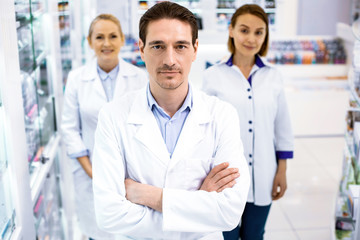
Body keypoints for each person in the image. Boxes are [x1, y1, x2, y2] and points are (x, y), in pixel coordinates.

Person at [91, 2, 250, 240]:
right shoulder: (113, 116)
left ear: (195, 49)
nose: (170, 59)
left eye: (181, 46)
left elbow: (229, 212)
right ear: (142, 49)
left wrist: (151, 197)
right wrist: (199, 202)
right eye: (158, 46)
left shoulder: (222, 115)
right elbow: (109, 214)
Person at [202, 4, 294, 240]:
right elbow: (204, 130)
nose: (251, 38)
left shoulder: (273, 76)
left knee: (255, 235)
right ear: (231, 30)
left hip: (264, 173)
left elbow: (282, 126)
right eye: (244, 30)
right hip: (225, 176)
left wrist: (282, 170)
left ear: (265, 36)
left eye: (259, 32)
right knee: (226, 236)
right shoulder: (213, 76)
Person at [61, 14, 148, 240]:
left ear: (122, 40)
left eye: (112, 36)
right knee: (98, 232)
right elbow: (69, 129)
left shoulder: (139, 78)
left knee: (131, 232)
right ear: (90, 42)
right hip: (89, 171)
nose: (106, 43)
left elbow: (146, 126)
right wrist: (94, 172)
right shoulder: (76, 79)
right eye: (99, 37)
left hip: (131, 173)